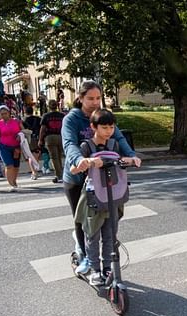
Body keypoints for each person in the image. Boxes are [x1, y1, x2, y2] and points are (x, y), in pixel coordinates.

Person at [62, 80, 140, 266]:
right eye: (90, 98)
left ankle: (105, 257)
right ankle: (86, 257)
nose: (95, 102)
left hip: (102, 178)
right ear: (80, 98)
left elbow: (118, 137)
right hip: (77, 177)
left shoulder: (102, 118)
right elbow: (69, 144)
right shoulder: (72, 119)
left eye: (98, 98)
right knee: (83, 219)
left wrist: (131, 156)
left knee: (108, 217)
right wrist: (80, 160)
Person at [71, 109, 141, 285]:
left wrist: (132, 160)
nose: (108, 131)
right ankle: (95, 269)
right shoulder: (86, 146)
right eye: (104, 127)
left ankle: (108, 267)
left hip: (112, 195)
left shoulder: (114, 145)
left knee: (110, 234)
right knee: (93, 235)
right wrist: (85, 162)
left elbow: (121, 161)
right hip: (93, 198)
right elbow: (74, 169)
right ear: (93, 127)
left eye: (111, 127)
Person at [0, 105, 26, 191]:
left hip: (16, 147)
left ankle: (14, 180)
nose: (4, 115)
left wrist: (21, 136)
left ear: (9, 113)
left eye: (5, 113)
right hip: (4, 147)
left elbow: (24, 132)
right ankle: (11, 184)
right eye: (1, 114)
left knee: (16, 165)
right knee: (9, 165)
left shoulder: (16, 122)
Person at [39, 99, 65, 183]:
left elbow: (43, 129)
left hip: (50, 137)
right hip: (60, 136)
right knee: (59, 156)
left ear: (49, 106)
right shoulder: (62, 115)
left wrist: (40, 139)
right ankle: (61, 174)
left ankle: (59, 175)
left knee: (54, 157)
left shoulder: (46, 116)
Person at [23, 106, 42, 179]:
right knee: (36, 155)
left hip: (28, 139)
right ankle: (35, 170)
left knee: (30, 155)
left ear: (25, 112)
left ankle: (33, 172)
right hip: (37, 137)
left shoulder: (24, 120)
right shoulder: (38, 119)